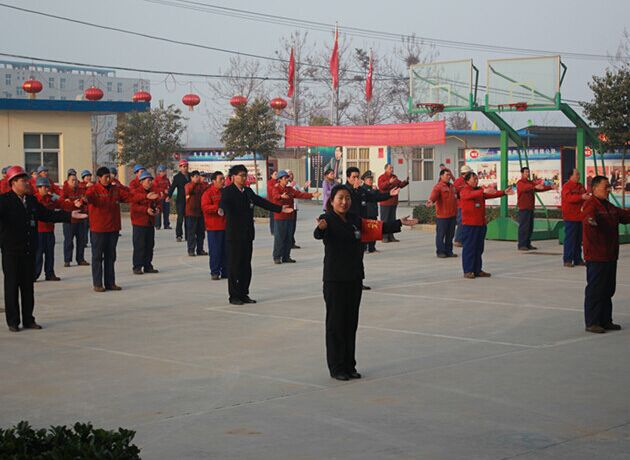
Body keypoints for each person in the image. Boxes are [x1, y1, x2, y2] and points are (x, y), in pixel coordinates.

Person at [314, 184, 417, 380]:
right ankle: (336, 368)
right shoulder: (328, 219)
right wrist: (320, 228)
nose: (344, 202)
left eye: (347, 198)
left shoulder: (354, 219)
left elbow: (377, 227)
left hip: (354, 277)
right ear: (332, 200)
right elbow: (318, 233)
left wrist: (399, 223)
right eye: (340, 198)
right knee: (336, 324)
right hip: (335, 280)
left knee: (351, 323)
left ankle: (349, 365)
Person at [0, 166, 86, 331]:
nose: (27, 183)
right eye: (23, 180)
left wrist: (69, 216)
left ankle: (28, 319)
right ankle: (13, 322)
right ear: (13, 182)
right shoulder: (4, 201)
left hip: (28, 250)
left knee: (27, 287)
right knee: (11, 287)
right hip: (11, 252)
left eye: (27, 179)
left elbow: (48, 214)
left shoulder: (32, 201)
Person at [220, 164, 292, 305]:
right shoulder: (228, 191)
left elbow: (261, 202)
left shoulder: (247, 191)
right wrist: (221, 209)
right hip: (234, 235)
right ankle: (234, 296)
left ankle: (244, 293)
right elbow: (224, 203)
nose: (243, 178)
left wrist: (279, 208)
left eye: (245, 175)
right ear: (233, 177)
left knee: (246, 265)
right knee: (235, 265)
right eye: (241, 175)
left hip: (247, 234)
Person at [582, 175, 630, 334]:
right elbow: (588, 217)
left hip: (610, 254)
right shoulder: (591, 205)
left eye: (609, 187)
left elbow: (624, 216)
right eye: (605, 187)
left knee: (608, 289)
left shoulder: (609, 206)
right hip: (596, 255)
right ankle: (592, 322)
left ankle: (605, 320)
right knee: (596, 289)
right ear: (594, 188)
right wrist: (591, 221)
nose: (608, 190)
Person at [346, 166, 399, 289]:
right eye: (354, 177)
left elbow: (374, 197)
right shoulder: (344, 191)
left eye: (357, 177)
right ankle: (348, 282)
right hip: (349, 229)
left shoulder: (361, 190)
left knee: (359, 257)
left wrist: (389, 195)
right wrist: (353, 192)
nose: (356, 179)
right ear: (348, 177)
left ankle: (358, 282)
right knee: (350, 257)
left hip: (362, 226)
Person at [85, 166, 135, 292]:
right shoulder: (93, 190)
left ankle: (110, 283)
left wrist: (145, 197)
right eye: (106, 177)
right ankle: (98, 283)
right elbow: (88, 198)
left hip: (113, 228)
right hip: (98, 229)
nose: (109, 179)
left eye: (109, 176)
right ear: (99, 178)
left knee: (110, 256)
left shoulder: (115, 190)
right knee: (97, 257)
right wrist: (84, 199)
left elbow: (130, 197)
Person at [460, 171, 514, 279]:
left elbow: (489, 194)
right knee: (469, 248)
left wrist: (503, 192)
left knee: (479, 248)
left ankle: (477, 269)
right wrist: (483, 190)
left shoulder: (478, 191)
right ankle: (468, 270)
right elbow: (469, 195)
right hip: (470, 225)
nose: (476, 181)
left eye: (477, 179)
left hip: (480, 223)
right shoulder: (465, 190)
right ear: (467, 180)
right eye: (474, 179)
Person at [34, 177, 81, 281]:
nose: (47, 189)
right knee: (38, 254)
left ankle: (50, 274)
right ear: (38, 188)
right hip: (38, 232)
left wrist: (73, 204)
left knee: (50, 253)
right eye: (44, 187)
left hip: (50, 231)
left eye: (47, 187)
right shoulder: (34, 200)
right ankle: (34, 274)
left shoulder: (52, 198)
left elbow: (62, 203)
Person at [270, 170, 319, 264]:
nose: (287, 179)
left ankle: (286, 256)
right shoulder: (276, 188)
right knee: (280, 238)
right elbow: (274, 196)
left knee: (289, 237)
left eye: (287, 177)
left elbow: (300, 194)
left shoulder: (290, 189)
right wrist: (281, 196)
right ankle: (277, 257)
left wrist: (312, 195)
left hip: (290, 216)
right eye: (285, 178)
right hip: (280, 217)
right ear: (279, 180)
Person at [516, 167, 557, 251]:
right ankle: (522, 244)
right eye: (526, 172)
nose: (527, 173)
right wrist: (534, 186)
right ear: (522, 173)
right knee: (524, 227)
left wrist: (550, 187)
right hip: (523, 208)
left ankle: (527, 243)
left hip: (530, 207)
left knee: (530, 227)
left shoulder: (530, 183)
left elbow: (539, 188)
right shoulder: (520, 183)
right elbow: (525, 188)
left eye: (528, 172)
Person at [130, 171, 161, 275]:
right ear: (142, 181)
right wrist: (145, 210)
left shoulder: (153, 191)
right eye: (148, 180)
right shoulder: (136, 192)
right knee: (139, 245)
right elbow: (134, 207)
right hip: (139, 223)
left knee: (149, 245)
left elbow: (158, 203)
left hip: (150, 222)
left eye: (151, 180)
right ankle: (137, 266)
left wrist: (157, 209)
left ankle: (148, 265)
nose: (150, 182)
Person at [202, 171, 228, 280]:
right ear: (214, 181)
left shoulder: (226, 192)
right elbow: (205, 207)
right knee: (215, 251)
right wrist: (217, 208)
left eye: (223, 179)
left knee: (226, 251)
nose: (223, 181)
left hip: (226, 226)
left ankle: (226, 271)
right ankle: (215, 271)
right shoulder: (208, 193)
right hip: (214, 227)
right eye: (220, 179)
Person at [427, 168, 458, 258]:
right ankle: (440, 251)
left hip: (452, 214)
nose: (448, 177)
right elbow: (434, 195)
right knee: (441, 235)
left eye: (449, 175)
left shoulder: (452, 187)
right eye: (446, 175)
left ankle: (449, 251)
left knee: (450, 235)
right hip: (442, 215)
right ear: (441, 176)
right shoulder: (438, 187)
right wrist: (431, 200)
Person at [561, 168, 589, 268]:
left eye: (579, 174)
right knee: (570, 239)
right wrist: (581, 197)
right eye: (577, 174)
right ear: (571, 176)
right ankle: (567, 259)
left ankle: (578, 259)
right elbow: (569, 198)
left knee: (578, 240)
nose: (578, 176)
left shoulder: (580, 186)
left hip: (580, 216)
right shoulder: (566, 186)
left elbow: (585, 195)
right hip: (570, 217)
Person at [61, 169, 89, 267]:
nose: (75, 182)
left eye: (76, 180)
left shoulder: (81, 189)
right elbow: (63, 202)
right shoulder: (64, 190)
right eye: (72, 180)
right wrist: (72, 203)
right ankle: (67, 260)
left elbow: (85, 200)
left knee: (81, 240)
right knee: (69, 240)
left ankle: (80, 259)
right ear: (68, 181)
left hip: (80, 219)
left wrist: (84, 201)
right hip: (69, 220)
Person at [377, 163, 409, 243]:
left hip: (393, 202)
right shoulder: (382, 177)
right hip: (385, 202)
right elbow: (381, 187)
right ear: (386, 169)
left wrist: (405, 182)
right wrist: (389, 182)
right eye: (390, 168)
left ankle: (391, 236)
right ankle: (384, 237)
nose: (392, 169)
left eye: (392, 168)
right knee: (385, 220)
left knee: (392, 219)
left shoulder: (394, 177)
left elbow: (400, 185)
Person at [184, 170, 208, 257]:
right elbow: (188, 191)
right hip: (191, 212)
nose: (198, 178)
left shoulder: (201, 186)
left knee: (201, 232)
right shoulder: (188, 185)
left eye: (199, 176)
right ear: (191, 178)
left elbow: (207, 189)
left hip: (200, 212)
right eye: (196, 177)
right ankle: (191, 250)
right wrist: (194, 183)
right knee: (191, 232)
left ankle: (200, 249)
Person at [168, 159, 190, 242]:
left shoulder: (191, 176)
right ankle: (179, 235)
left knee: (188, 218)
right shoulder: (177, 177)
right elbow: (172, 187)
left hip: (189, 200)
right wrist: (168, 196)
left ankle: (188, 235)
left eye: (186, 166)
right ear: (180, 167)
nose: (185, 168)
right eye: (183, 166)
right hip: (180, 200)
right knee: (180, 218)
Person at [359, 170, 379, 253]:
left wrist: (376, 191)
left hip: (373, 213)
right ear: (364, 180)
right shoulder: (362, 189)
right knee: (366, 232)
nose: (370, 181)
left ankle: (372, 247)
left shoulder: (373, 189)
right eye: (368, 179)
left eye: (371, 179)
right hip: (366, 213)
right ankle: (364, 248)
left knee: (374, 231)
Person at [453, 165, 471, 247]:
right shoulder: (458, 182)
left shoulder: (468, 180)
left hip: (468, 204)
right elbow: (454, 193)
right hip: (461, 205)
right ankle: (458, 240)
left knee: (467, 223)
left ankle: (464, 239)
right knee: (461, 222)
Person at [152, 165, 171, 230]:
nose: (163, 172)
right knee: (158, 212)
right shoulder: (156, 179)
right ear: (159, 172)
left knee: (166, 212)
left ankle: (166, 225)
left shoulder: (167, 179)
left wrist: (168, 194)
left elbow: (170, 187)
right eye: (162, 171)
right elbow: (155, 188)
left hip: (166, 198)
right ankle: (157, 225)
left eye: (164, 171)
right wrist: (162, 190)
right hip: (159, 198)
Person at [267, 170, 277, 235]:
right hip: (272, 202)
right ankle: (273, 230)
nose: (277, 175)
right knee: (273, 217)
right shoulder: (270, 182)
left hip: (277, 203)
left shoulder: (278, 181)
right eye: (275, 174)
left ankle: (276, 230)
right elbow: (271, 191)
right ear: (271, 175)